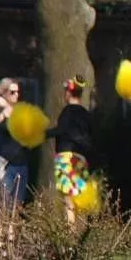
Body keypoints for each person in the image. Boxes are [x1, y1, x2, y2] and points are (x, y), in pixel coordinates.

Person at [52, 76, 96, 215]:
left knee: (67, 195)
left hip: (65, 157)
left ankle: (69, 232)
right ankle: (78, 230)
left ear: (68, 93)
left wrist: (42, 133)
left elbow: (61, 130)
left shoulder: (67, 112)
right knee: (78, 193)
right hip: (82, 158)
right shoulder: (86, 114)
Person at [0, 77, 30, 205]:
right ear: (3, 92)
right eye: (12, 92)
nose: (16, 95)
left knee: (17, 207)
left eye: (17, 92)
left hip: (21, 164)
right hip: (5, 166)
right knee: (3, 207)